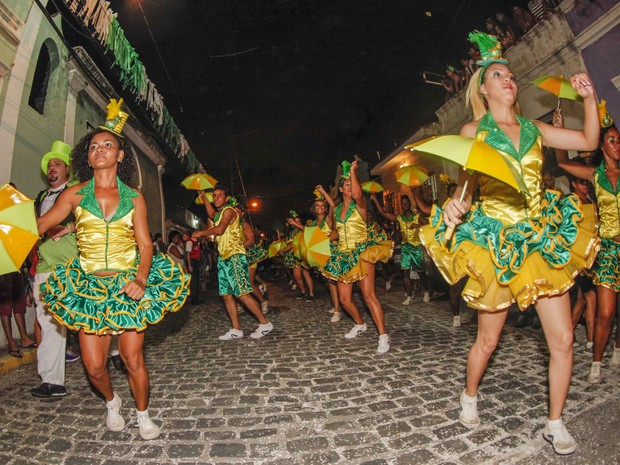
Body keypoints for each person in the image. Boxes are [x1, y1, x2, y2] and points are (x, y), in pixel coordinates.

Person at [420, 32, 600, 455]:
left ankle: (555, 423)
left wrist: (589, 99)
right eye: (498, 74)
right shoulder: (473, 130)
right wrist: (453, 207)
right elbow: (466, 186)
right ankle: (469, 395)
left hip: (540, 239)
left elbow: (589, 142)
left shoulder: (535, 130)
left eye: (511, 74)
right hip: (496, 242)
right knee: (488, 340)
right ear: (483, 87)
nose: (508, 79)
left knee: (563, 340)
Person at [36, 99, 190, 439]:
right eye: (94, 146)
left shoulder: (134, 197)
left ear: (120, 155)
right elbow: (39, 225)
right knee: (94, 367)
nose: (100, 150)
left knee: (133, 359)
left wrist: (140, 278)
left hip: (127, 284)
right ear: (87, 157)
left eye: (108, 145)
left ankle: (143, 414)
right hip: (87, 287)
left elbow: (146, 245)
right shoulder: (74, 195)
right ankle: (111, 401)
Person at [554, 109, 620, 384]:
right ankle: (597, 361)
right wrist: (560, 128)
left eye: (619, 140)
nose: (617, 145)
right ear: (601, 144)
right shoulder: (594, 174)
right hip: (608, 251)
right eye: (613, 140)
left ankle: (617, 348)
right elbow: (562, 162)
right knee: (605, 312)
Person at [321, 160, 393, 353]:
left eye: (353, 184)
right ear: (342, 189)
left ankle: (383, 336)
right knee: (344, 300)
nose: (351, 187)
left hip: (361, 253)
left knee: (369, 296)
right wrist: (323, 240)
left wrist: (353, 171)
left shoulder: (360, 204)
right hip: (343, 255)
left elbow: (359, 193)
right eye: (347, 185)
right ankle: (360, 324)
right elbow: (337, 232)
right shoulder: (336, 211)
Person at [30, 142, 79, 398]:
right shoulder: (39, 198)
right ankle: (52, 382)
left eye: (57, 163)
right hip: (45, 267)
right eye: (49, 165)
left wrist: (67, 229)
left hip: (72, 267)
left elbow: (93, 224)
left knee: (87, 317)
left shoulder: (77, 193)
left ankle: (114, 351)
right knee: (49, 322)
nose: (52, 167)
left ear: (67, 170)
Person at [194, 186, 273, 340]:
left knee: (242, 293)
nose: (216, 198)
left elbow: (220, 229)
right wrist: (204, 197)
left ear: (227, 198)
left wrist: (201, 233)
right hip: (223, 258)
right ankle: (236, 329)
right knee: (226, 295)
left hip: (234, 256)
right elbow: (211, 214)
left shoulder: (229, 211)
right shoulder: (219, 213)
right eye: (214, 196)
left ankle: (265, 324)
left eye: (219, 195)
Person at [371, 191, 429, 305]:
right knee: (405, 273)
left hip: (416, 247)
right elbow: (383, 213)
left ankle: (426, 291)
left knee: (421, 273)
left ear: (410, 204)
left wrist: (417, 225)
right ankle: (408, 296)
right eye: (403, 203)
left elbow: (428, 223)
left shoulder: (417, 217)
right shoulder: (400, 218)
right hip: (405, 247)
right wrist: (375, 200)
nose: (405, 205)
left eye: (406, 203)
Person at [238, 203, 269, 314]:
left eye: (238, 212)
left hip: (249, 257)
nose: (235, 214)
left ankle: (263, 301)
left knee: (249, 284)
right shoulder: (230, 225)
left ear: (242, 214)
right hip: (236, 258)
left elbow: (250, 240)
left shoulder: (244, 224)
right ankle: (240, 304)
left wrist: (237, 248)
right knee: (238, 283)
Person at [184, 230, 203, 304]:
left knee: (196, 280)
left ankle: (196, 297)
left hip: (195, 261)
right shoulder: (189, 242)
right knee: (194, 281)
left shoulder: (195, 242)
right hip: (192, 261)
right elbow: (188, 254)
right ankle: (194, 299)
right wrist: (189, 265)